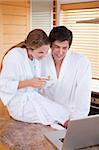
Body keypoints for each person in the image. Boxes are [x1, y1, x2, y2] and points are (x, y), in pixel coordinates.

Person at [0, 29, 69, 126]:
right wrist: (29, 83)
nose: (45, 56)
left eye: (46, 52)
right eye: (41, 53)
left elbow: (34, 81)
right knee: (50, 116)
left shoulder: (35, 58)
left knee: (62, 111)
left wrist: (43, 81)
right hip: (18, 104)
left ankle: (69, 135)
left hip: (33, 98)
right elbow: (3, 85)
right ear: (30, 48)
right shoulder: (14, 56)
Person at [41, 26, 92, 128]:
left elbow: (83, 94)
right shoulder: (42, 60)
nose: (60, 52)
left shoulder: (81, 62)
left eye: (64, 48)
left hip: (70, 118)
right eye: (57, 47)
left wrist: (75, 121)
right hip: (46, 117)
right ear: (50, 45)